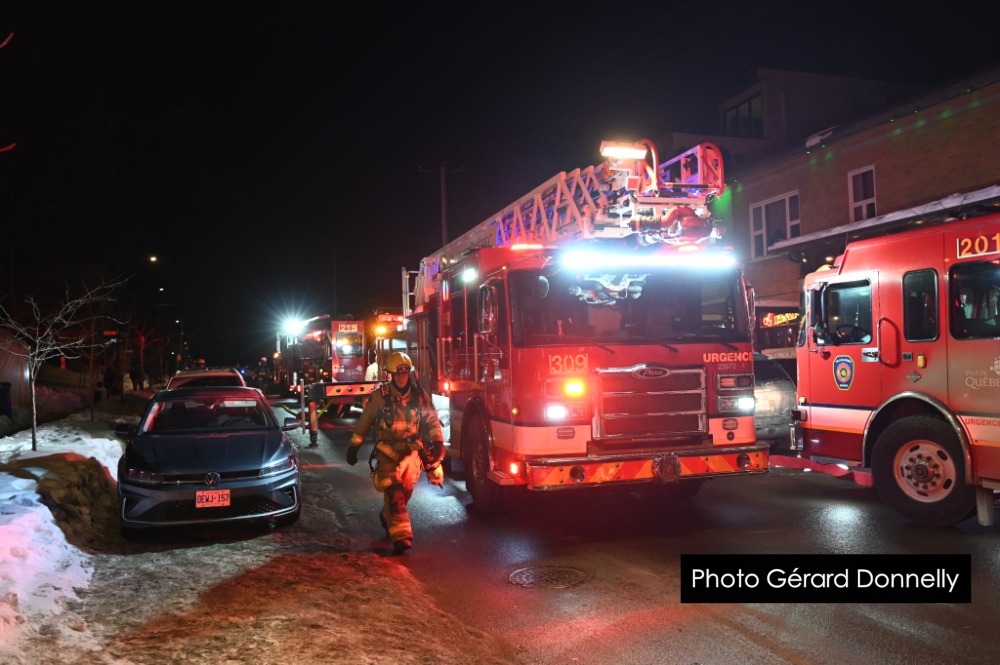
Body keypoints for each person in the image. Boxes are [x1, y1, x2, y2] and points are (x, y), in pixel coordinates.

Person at [345, 351, 445, 555]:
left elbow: (431, 420)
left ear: (410, 373)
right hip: (386, 451)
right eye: (397, 374)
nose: (401, 377)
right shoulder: (379, 397)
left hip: (411, 453)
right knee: (394, 491)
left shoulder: (419, 396)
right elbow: (364, 423)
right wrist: (354, 446)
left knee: (404, 492)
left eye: (405, 373)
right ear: (389, 374)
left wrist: (438, 442)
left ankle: (388, 515)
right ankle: (402, 537)